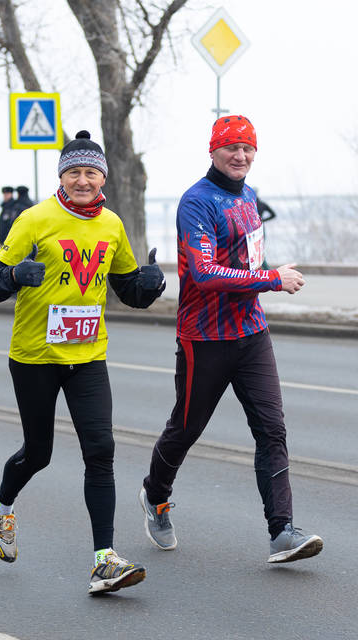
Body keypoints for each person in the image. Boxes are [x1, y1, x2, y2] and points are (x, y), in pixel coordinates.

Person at [0, 130, 166, 594]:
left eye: (91, 173)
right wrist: (16, 275)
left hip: (88, 357)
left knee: (100, 451)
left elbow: (126, 289)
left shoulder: (111, 225)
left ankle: (105, 560)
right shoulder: (34, 219)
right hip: (34, 357)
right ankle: (1, 506)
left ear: (102, 178)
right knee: (38, 453)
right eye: (74, 172)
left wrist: (149, 285)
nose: (83, 180)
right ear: (62, 175)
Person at [138, 115, 323, 564]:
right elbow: (205, 273)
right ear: (213, 152)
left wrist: (267, 275)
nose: (240, 156)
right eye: (231, 148)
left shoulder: (249, 197)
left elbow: (242, 259)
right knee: (187, 428)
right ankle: (155, 495)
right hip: (204, 337)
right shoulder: (196, 203)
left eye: (248, 149)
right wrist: (271, 279)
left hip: (251, 333)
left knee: (272, 428)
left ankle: (282, 532)